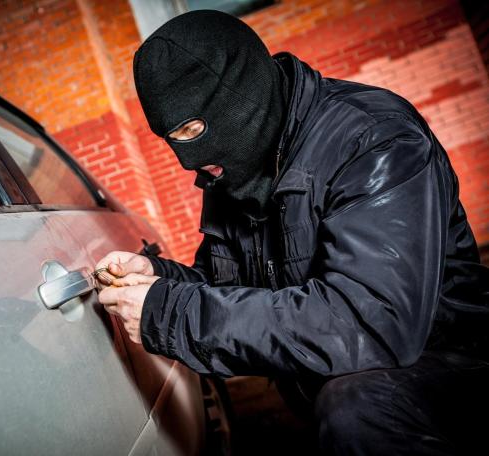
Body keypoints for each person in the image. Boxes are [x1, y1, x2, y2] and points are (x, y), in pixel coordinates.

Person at [96, 9, 489, 454]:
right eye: (172, 139)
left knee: (356, 409)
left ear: (240, 97)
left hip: (450, 362)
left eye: (194, 130)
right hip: (341, 374)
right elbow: (232, 289)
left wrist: (170, 313)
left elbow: (370, 322)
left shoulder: (373, 139)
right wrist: (158, 280)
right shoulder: (237, 169)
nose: (188, 159)